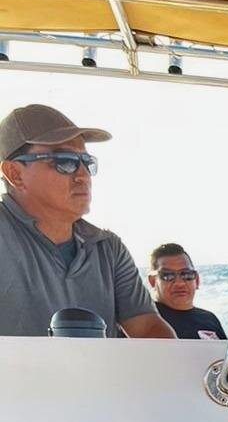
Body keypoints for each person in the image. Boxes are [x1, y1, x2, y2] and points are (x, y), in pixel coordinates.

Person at [0, 104, 174, 338]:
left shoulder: (109, 248)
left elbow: (148, 330)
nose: (82, 175)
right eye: (65, 161)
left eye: (86, 162)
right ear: (15, 174)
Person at [148, 242, 227, 339]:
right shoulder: (145, 321)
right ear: (152, 281)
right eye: (167, 275)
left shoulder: (210, 319)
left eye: (186, 274)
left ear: (197, 280)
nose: (179, 283)